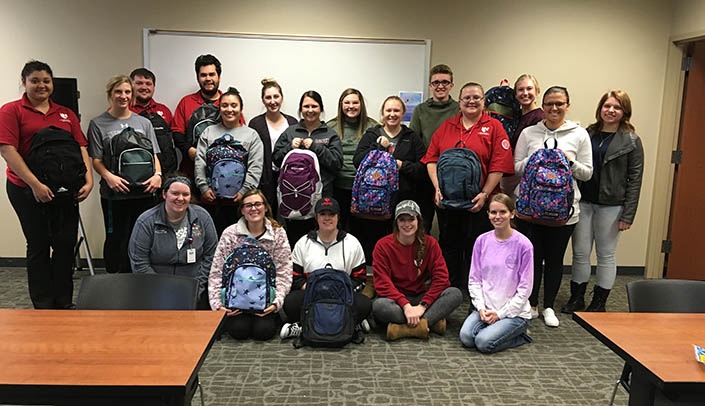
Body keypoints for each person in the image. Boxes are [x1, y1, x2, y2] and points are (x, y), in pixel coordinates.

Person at [0, 60, 93, 309]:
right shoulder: (11, 111)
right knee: (39, 245)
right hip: (25, 189)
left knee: (64, 245)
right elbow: (8, 150)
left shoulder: (66, 113)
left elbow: (80, 146)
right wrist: (35, 185)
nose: (41, 85)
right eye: (35, 81)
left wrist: (89, 179)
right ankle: (43, 304)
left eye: (46, 81)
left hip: (64, 191)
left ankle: (63, 303)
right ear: (24, 82)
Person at [421, 82, 514, 292]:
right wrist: (437, 189)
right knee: (449, 244)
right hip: (448, 200)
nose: (471, 101)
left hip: (480, 202)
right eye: (467, 98)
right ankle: (450, 287)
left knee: (477, 246)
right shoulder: (447, 126)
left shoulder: (494, 127)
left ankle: (475, 289)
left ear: (483, 101)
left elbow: (498, 165)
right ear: (460, 101)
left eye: (476, 98)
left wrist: (484, 194)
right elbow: (431, 159)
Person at [513, 86, 593, 327]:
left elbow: (587, 173)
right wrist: (537, 157)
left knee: (555, 259)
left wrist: (568, 160)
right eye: (549, 103)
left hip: (564, 212)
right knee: (532, 259)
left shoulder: (579, 135)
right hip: (530, 210)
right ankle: (532, 304)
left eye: (559, 103)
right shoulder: (529, 133)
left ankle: (549, 306)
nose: (554, 108)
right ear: (543, 106)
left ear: (568, 105)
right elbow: (516, 167)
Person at [563, 90, 644, 314]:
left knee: (606, 254)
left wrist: (628, 214)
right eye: (607, 106)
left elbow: (635, 180)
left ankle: (599, 302)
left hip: (612, 205)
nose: (610, 110)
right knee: (579, 252)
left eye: (617, 107)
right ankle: (576, 298)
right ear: (600, 108)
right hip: (584, 201)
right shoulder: (587, 133)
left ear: (624, 112)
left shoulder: (631, 140)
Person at [88, 75, 162, 274]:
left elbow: (153, 154)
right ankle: (114, 281)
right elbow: (96, 159)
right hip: (115, 194)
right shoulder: (98, 123)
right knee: (116, 238)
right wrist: (108, 177)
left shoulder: (143, 122)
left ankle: (140, 279)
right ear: (110, 94)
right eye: (118, 92)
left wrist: (158, 175)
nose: (123, 96)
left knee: (143, 237)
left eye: (127, 92)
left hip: (144, 192)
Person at [279, 197, 371, 339]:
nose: (327, 218)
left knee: (364, 304)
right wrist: (316, 291)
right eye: (323, 214)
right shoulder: (303, 243)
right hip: (312, 296)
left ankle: (306, 325)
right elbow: (295, 277)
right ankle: (350, 324)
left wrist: (337, 292)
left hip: (342, 297)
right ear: (316, 217)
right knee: (291, 302)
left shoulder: (352, 243)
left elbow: (360, 279)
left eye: (331, 214)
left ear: (338, 217)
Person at [372, 200, 462, 341]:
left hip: (421, 296)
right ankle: (429, 323)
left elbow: (441, 279)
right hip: (396, 300)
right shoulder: (382, 245)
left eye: (411, 219)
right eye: (402, 220)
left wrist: (423, 305)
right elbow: (382, 283)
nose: (407, 224)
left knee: (454, 294)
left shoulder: (430, 243)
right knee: (379, 306)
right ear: (396, 222)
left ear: (419, 221)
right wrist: (406, 306)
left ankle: (403, 328)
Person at [208, 190, 292, 340]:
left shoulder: (278, 233)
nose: (253, 209)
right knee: (238, 330)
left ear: (266, 207)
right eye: (248, 205)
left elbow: (283, 271)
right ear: (242, 210)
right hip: (235, 303)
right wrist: (218, 306)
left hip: (265, 302)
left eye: (258, 204)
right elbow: (217, 270)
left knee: (263, 331)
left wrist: (275, 303)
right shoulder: (230, 234)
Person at [352, 95, 426, 264]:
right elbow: (358, 161)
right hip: (374, 201)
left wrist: (401, 165)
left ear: (403, 113)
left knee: (399, 243)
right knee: (373, 241)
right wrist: (378, 147)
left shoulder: (411, 137)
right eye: (389, 110)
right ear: (382, 113)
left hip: (402, 199)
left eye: (396, 110)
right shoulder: (372, 134)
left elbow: (422, 169)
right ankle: (373, 279)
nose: (392, 114)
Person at [128, 176, 218, 309]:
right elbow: (139, 262)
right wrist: (161, 289)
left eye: (185, 194)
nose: (180, 198)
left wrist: (197, 285)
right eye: (175, 193)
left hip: (194, 286)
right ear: (164, 194)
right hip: (155, 287)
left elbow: (212, 255)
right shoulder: (146, 221)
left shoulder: (202, 217)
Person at [459, 194, 533, 353]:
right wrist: (480, 307)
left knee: (483, 343)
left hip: (513, 313)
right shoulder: (481, 241)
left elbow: (525, 289)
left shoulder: (524, 245)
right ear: (488, 214)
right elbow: (474, 280)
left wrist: (500, 314)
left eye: (503, 212)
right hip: (485, 309)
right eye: (493, 212)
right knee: (466, 338)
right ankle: (496, 330)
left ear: (512, 213)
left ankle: (522, 334)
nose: (497, 217)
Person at [272, 90, 343, 246]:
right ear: (300, 109)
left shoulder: (330, 134)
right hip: (293, 200)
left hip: (322, 199)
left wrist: (317, 147)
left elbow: (336, 164)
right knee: (295, 243)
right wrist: (289, 147)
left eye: (314, 106)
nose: (310, 110)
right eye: (306, 106)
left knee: (320, 243)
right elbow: (276, 160)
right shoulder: (290, 132)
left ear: (321, 109)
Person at [194, 87, 264, 235]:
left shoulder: (251, 135)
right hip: (212, 201)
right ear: (219, 108)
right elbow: (200, 162)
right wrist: (204, 188)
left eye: (234, 105)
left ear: (241, 108)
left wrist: (244, 191)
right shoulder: (208, 132)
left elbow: (255, 166)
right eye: (224, 105)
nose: (229, 109)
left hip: (240, 203)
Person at [172, 54, 243, 181]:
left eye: (212, 74)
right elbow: (177, 133)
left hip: (225, 174)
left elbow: (240, 133)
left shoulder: (230, 104)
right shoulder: (186, 102)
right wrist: (189, 150)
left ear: (219, 77)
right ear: (198, 78)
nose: (208, 79)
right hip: (191, 171)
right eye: (203, 75)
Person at [409, 64, 460, 234]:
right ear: (430, 85)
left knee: (450, 227)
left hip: (452, 175)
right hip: (425, 174)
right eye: (436, 82)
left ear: (451, 85)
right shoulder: (420, 110)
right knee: (422, 225)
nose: (440, 86)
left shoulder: (459, 109)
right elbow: (414, 141)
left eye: (445, 82)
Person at [326, 88, 378, 230]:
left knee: (362, 230)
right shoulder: (330, 127)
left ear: (361, 104)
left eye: (355, 102)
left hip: (365, 188)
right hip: (338, 186)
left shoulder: (373, 127)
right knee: (338, 229)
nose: (351, 106)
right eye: (347, 102)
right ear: (341, 104)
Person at [248, 78, 298, 217]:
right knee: (266, 216)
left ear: (282, 98)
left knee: (289, 215)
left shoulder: (293, 123)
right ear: (263, 100)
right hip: (265, 179)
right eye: (268, 97)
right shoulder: (256, 124)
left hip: (289, 178)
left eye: (276, 96)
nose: (272, 101)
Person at [501, 74, 545, 198]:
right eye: (520, 90)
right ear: (515, 94)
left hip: (525, 175)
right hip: (508, 172)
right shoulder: (514, 116)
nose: (525, 93)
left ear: (537, 91)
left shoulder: (540, 118)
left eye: (529, 89)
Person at [129, 67, 178, 175]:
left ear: (154, 87)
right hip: (134, 172)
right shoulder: (124, 110)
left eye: (148, 83)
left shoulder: (164, 110)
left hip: (164, 173)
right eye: (139, 83)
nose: (144, 87)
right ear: (131, 86)